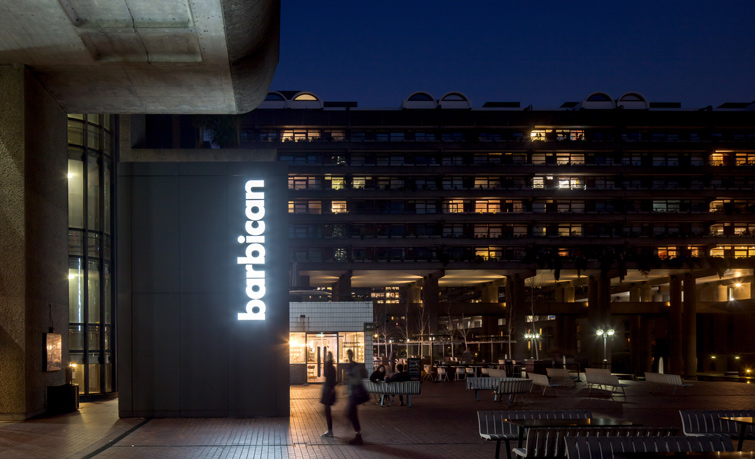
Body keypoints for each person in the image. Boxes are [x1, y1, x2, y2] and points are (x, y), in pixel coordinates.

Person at [345, 349, 363, 445]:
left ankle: (358, 436)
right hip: (352, 392)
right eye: (348, 354)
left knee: (351, 414)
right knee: (352, 414)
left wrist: (350, 377)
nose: (349, 356)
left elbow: (356, 379)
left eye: (350, 354)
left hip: (354, 393)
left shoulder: (354, 366)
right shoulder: (350, 365)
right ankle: (358, 435)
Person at [320, 351, 336, 437]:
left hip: (328, 390)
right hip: (330, 389)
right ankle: (330, 430)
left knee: (327, 410)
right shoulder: (332, 367)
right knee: (327, 410)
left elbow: (325, 374)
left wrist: (325, 363)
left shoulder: (329, 366)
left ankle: (330, 430)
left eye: (327, 356)